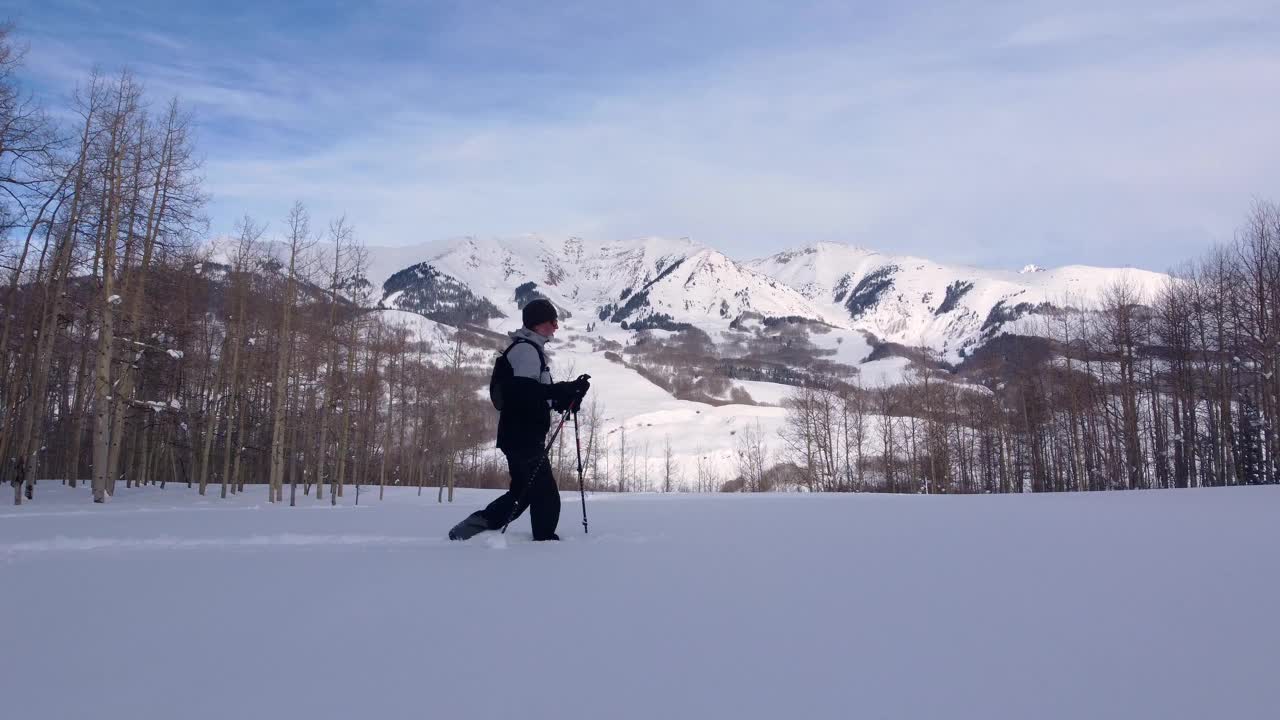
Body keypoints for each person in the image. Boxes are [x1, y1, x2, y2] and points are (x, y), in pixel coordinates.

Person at [448, 298, 590, 541]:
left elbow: (537, 395)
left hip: (520, 434)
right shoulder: (525, 350)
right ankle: (544, 543)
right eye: (552, 322)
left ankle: (474, 526)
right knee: (544, 491)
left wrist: (565, 399)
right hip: (522, 434)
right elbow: (525, 393)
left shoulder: (531, 349)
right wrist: (563, 390)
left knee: (523, 492)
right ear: (537, 324)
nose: (556, 327)